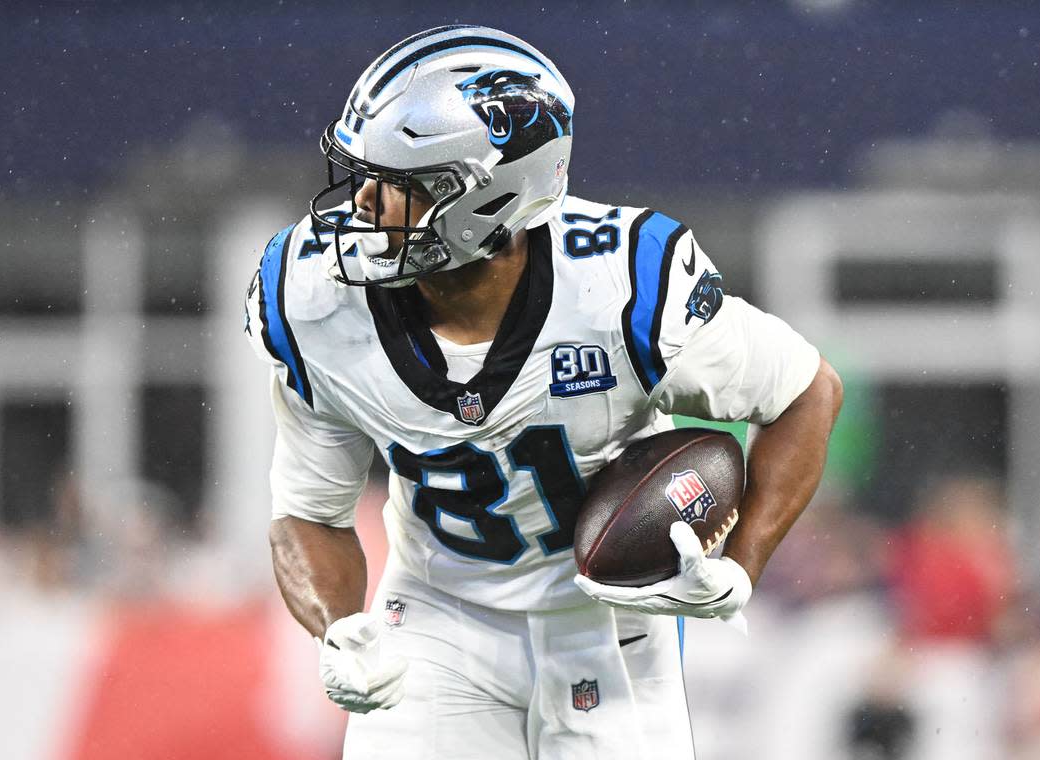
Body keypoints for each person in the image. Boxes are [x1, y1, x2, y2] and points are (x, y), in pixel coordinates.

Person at [244, 25, 843, 760]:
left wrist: (739, 567)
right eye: (364, 175)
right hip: (437, 619)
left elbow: (806, 391)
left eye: (396, 185)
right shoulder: (312, 299)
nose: (363, 204)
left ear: (485, 201)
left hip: (610, 625)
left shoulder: (623, 287)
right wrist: (341, 627)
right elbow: (307, 513)